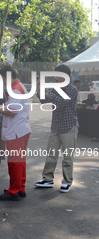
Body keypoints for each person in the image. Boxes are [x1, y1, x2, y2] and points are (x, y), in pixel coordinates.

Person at [35, 64, 78, 193]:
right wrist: (40, 89)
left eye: (58, 75)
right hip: (56, 126)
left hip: (69, 126)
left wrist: (48, 92)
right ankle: (47, 179)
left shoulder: (72, 89)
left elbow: (61, 103)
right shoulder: (54, 88)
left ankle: (67, 181)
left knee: (67, 157)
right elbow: (44, 101)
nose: (55, 77)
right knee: (51, 154)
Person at [0, 65, 31, 201]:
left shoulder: (16, 90)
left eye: (2, 78)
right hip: (19, 130)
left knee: (15, 162)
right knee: (19, 161)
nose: (1, 81)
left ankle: (13, 191)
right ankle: (20, 188)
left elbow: (12, 111)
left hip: (16, 131)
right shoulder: (17, 88)